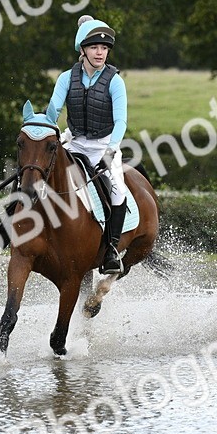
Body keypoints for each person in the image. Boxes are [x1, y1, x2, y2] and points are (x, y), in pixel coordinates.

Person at [47, 15, 128, 274]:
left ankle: (112, 251)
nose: (100, 53)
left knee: (117, 192)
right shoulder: (65, 78)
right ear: (82, 50)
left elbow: (121, 121)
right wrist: (47, 132)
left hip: (104, 144)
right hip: (74, 140)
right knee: (41, 172)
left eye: (104, 48)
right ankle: (12, 227)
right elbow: (53, 110)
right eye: (94, 47)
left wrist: (111, 150)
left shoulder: (115, 80)